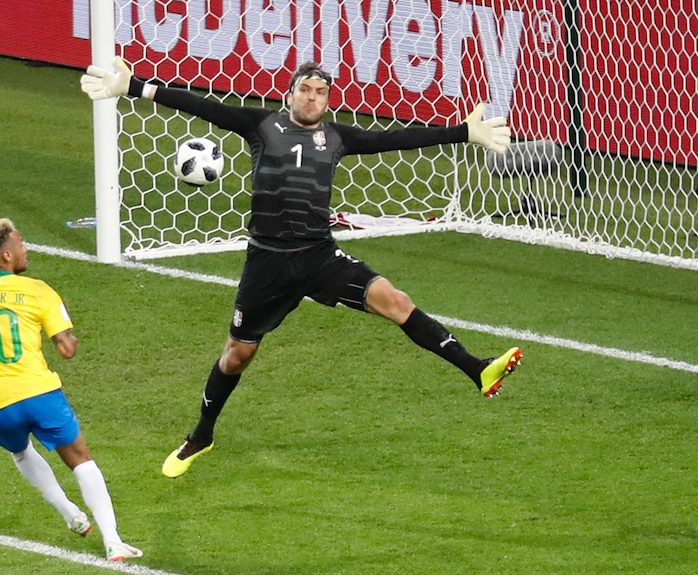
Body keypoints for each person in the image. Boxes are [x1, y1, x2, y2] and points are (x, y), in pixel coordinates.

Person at [81, 59, 523, 479]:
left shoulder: (337, 137)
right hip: (267, 263)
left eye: (321, 93)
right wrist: (134, 87)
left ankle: (478, 369)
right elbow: (202, 106)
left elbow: (396, 140)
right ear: (289, 94)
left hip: (319, 257)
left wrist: (464, 132)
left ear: (328, 101)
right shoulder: (261, 125)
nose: (312, 98)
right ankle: (202, 435)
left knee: (396, 301)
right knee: (237, 355)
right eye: (305, 90)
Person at [0, 218, 142, 561]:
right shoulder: (38, 291)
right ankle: (112, 540)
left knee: (20, 452)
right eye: (20, 243)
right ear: (6, 256)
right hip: (38, 393)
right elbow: (65, 347)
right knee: (80, 460)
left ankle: (70, 514)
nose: (25, 248)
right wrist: (70, 342)